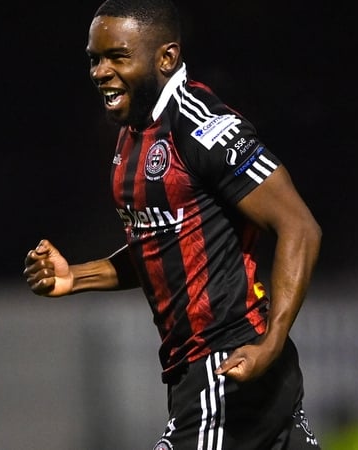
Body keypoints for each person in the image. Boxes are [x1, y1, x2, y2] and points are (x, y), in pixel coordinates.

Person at [23, 1, 322, 448]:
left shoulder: (203, 126)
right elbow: (162, 244)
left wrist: (272, 341)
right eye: (94, 58)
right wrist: (78, 277)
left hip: (229, 364)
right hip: (200, 373)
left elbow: (299, 226)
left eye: (117, 57)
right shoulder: (131, 137)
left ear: (166, 57)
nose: (100, 71)